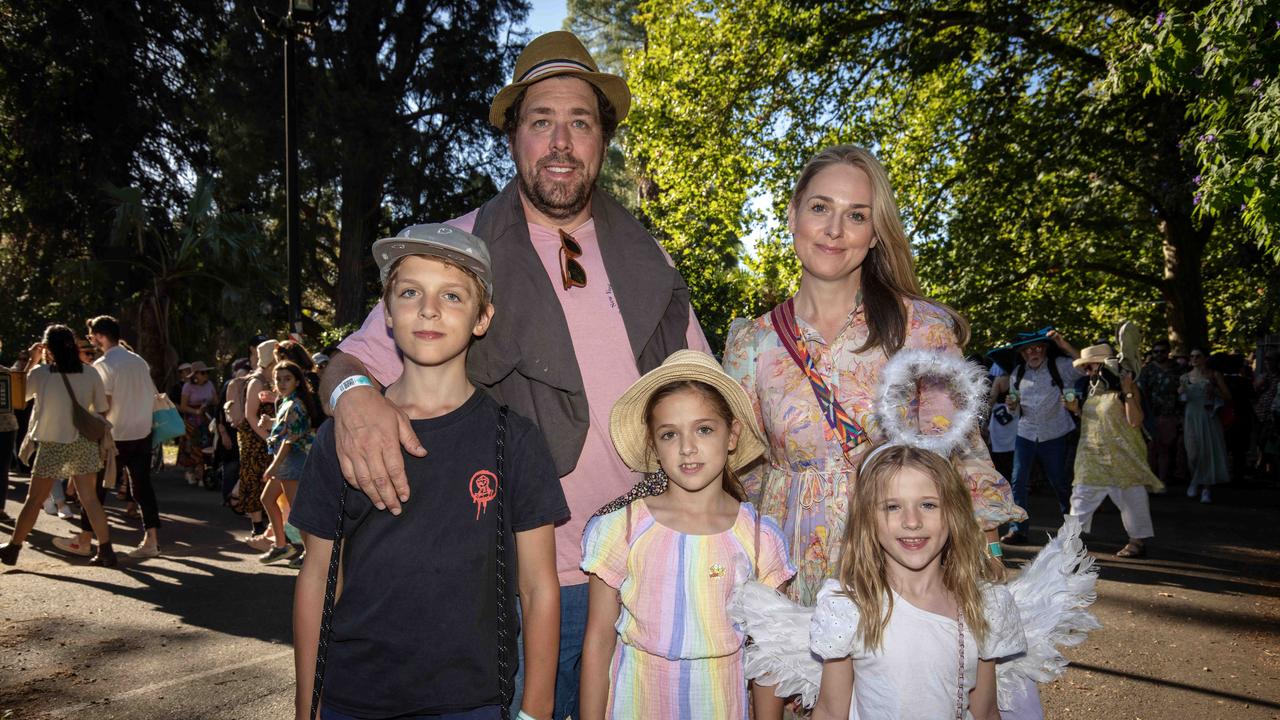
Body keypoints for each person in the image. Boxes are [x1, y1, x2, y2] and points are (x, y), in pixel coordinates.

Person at [319, 31, 710, 718]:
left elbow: (706, 396)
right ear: (512, 139)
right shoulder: (460, 254)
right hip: (512, 590)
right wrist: (353, 400)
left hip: (649, 574)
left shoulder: (651, 260)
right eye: (541, 123)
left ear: (603, 142)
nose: (561, 143)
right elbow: (349, 362)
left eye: (580, 123)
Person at [723, 145, 1024, 609]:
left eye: (857, 216)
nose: (835, 230)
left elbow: (964, 455)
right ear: (792, 214)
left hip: (906, 563)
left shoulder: (922, 329)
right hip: (792, 570)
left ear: (876, 233)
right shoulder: (751, 345)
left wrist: (991, 549)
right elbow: (744, 476)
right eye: (820, 207)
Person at [292, 224, 568, 720]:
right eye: (410, 292)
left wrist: (536, 711)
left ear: (483, 318)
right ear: (388, 314)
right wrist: (306, 704)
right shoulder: (342, 437)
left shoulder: (515, 442)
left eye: (453, 296)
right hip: (352, 696)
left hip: (472, 701)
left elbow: (539, 587)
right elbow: (317, 575)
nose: (429, 309)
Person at [579, 351, 794, 720]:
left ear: (732, 435)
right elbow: (599, 638)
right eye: (669, 434)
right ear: (654, 446)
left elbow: (769, 651)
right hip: (635, 704)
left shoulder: (760, 538)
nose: (687, 447)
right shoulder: (622, 528)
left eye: (704, 429)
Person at [805, 445, 1024, 720]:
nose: (912, 521)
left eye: (928, 504)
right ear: (867, 518)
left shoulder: (982, 606)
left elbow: (987, 711)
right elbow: (829, 711)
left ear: (954, 513)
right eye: (893, 506)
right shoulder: (851, 608)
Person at [0, 325, 115, 567]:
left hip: (52, 443)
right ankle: (106, 549)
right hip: (82, 441)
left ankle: (14, 547)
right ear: (73, 346)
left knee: (34, 499)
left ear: (47, 348)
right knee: (90, 499)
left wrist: (30, 360)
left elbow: (18, 399)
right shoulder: (90, 372)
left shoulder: (41, 374)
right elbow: (102, 408)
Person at [56, 316, 165, 560]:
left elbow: (104, 405)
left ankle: (85, 539)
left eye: (92, 335)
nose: (91, 340)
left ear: (101, 336)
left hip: (115, 435)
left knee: (94, 490)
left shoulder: (104, 364)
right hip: (142, 431)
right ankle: (152, 539)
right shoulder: (138, 361)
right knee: (142, 487)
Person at [1066, 344, 1161, 558]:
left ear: (1103, 366)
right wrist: (1077, 411)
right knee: (1080, 496)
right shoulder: (1092, 388)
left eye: (1089, 367)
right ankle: (1068, 543)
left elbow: (1135, 421)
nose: (1087, 372)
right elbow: (1096, 420)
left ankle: (1137, 542)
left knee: (1131, 497)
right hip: (1091, 453)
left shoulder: (1125, 387)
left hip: (1123, 455)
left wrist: (1127, 392)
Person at [990, 328, 1081, 545]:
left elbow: (1084, 365)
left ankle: (1073, 530)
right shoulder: (1017, 374)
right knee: (1017, 481)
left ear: (1045, 350)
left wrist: (1063, 343)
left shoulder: (1059, 366)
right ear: (1022, 354)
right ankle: (1018, 530)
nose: (1034, 352)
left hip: (1055, 433)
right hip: (1026, 433)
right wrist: (1012, 405)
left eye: (1038, 348)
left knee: (1060, 482)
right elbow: (1013, 407)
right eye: (1029, 350)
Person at [254, 360, 318, 565]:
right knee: (267, 499)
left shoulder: (295, 404)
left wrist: (274, 466)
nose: (281, 383)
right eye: (278, 379)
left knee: (297, 510)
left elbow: (291, 438)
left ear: (297, 381)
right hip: (286, 461)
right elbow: (286, 428)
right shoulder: (285, 402)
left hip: (294, 461)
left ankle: (311, 554)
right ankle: (281, 546)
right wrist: (270, 423)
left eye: (287, 379)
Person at [230, 338, 277, 543]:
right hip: (254, 440)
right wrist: (268, 438)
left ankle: (270, 527)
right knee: (253, 479)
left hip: (268, 437)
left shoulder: (272, 379)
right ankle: (257, 527)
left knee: (267, 481)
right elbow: (250, 415)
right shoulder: (257, 381)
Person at [1181, 347, 1231, 503]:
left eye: (1198, 356)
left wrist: (1214, 389)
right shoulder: (1184, 377)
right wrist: (1181, 392)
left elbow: (1228, 396)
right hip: (1191, 417)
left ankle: (1206, 489)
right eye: (1192, 356)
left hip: (1208, 417)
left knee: (1207, 453)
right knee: (1193, 454)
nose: (1194, 359)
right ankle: (1195, 480)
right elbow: (1181, 397)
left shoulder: (1214, 375)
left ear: (1204, 358)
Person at [1138, 340, 1186, 486]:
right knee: (1150, 448)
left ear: (1168, 352)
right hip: (1150, 414)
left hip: (1171, 414)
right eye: (1156, 351)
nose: (1159, 354)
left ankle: (1163, 481)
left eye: (1162, 351)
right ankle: (1150, 481)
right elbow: (1141, 392)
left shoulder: (1179, 370)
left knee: (1166, 448)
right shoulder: (1147, 370)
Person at [178, 361, 215, 487]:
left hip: (205, 418)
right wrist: (196, 411)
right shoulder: (187, 387)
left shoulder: (209, 384)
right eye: (203, 373)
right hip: (191, 420)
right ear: (195, 375)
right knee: (192, 445)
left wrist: (206, 407)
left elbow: (215, 400)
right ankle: (191, 471)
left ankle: (202, 472)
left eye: (207, 372)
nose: (206, 375)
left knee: (205, 445)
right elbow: (183, 406)